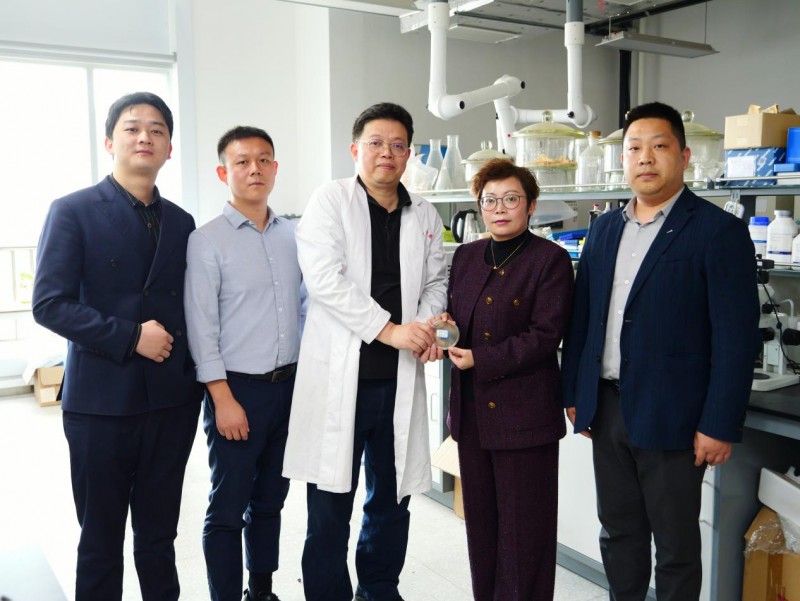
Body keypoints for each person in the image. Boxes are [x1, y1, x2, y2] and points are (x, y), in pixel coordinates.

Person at [560, 101, 761, 601]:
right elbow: (584, 319)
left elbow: (736, 339)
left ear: (684, 156)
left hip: (676, 414)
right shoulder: (605, 228)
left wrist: (719, 423)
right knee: (618, 533)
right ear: (623, 159)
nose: (645, 158)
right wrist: (576, 394)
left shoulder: (718, 231)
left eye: (659, 146)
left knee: (675, 546)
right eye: (634, 148)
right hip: (607, 408)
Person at [32, 92, 202, 601]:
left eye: (157, 129)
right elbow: (50, 304)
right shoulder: (73, 211)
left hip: (170, 403)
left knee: (159, 537)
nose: (144, 136)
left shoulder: (183, 222)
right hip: (101, 404)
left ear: (169, 148)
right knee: (100, 540)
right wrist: (131, 337)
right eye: (132, 128)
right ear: (110, 142)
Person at [282, 102, 447, 601]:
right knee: (331, 501)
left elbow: (436, 280)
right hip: (342, 380)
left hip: (398, 380)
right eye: (376, 143)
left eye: (398, 145)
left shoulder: (424, 212)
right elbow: (325, 281)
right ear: (355, 149)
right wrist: (390, 330)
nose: (386, 153)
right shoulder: (330, 200)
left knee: (391, 499)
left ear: (409, 154)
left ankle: (378, 588)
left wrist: (423, 328)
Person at [428, 159, 574, 601]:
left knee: (525, 534)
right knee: (483, 529)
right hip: (472, 417)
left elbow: (546, 335)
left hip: (524, 418)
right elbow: (459, 318)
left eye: (511, 199)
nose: (499, 209)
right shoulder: (468, 256)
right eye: (489, 200)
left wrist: (481, 358)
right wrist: (445, 328)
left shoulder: (549, 260)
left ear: (531, 205)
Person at [185, 126, 304, 601]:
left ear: (275, 168)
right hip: (237, 392)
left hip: (289, 389)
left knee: (271, 501)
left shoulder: (293, 235)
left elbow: (304, 308)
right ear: (223, 173)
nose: (255, 169)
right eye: (242, 162)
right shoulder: (206, 240)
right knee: (228, 509)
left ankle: (262, 591)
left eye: (263, 160)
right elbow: (201, 326)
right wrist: (222, 398)